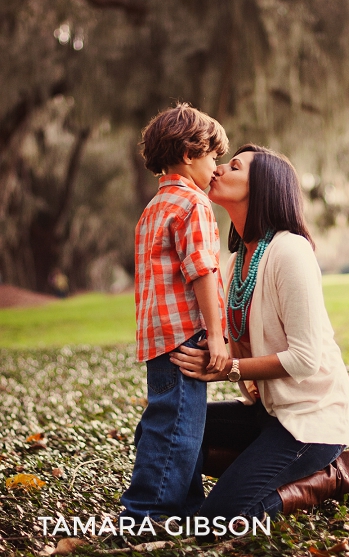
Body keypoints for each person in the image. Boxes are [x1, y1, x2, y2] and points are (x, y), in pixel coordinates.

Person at [169, 144, 349, 525]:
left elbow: (304, 358)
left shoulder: (290, 252)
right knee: (163, 432)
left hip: (311, 421)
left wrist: (228, 369)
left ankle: (328, 477)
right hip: (267, 414)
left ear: (262, 186)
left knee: (218, 522)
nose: (217, 170)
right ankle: (195, 506)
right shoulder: (235, 262)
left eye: (234, 166)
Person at [121, 103, 231, 519]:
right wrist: (217, 336)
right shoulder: (193, 204)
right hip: (184, 333)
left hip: (156, 335)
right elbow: (202, 270)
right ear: (189, 155)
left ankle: (187, 508)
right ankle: (146, 513)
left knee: (179, 421)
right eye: (212, 157)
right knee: (177, 430)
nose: (215, 168)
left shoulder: (154, 207)